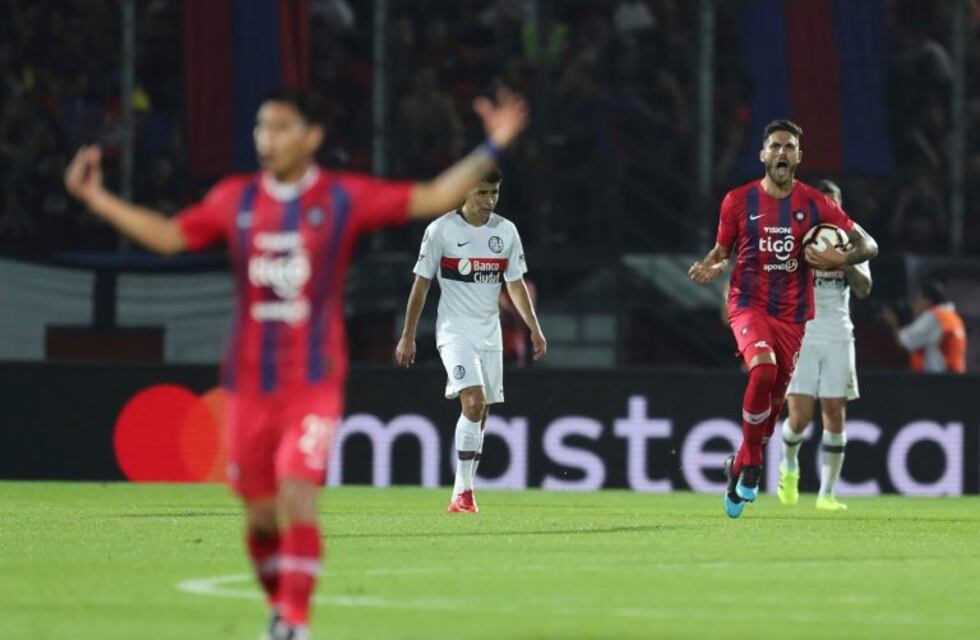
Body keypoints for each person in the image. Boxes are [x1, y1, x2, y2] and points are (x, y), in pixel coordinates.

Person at [64, 87, 528, 640]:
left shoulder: (340, 198)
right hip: (247, 384)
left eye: (282, 127)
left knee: (298, 498)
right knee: (261, 519)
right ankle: (281, 608)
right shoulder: (233, 200)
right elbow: (169, 237)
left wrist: (492, 147)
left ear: (311, 137)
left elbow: (429, 195)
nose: (267, 138)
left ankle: (296, 624)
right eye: (262, 126)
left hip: (313, 382)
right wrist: (97, 199)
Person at [688, 119, 878, 519]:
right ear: (762, 154)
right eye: (775, 146)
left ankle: (736, 467)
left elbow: (869, 245)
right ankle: (754, 467)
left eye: (789, 147)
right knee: (761, 372)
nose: (781, 152)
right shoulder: (737, 201)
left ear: (798, 157)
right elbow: (722, 250)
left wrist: (840, 259)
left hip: (794, 318)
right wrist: (710, 266)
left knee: (773, 413)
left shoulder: (816, 204)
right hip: (749, 305)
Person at [394, 168, 546, 514]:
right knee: (474, 403)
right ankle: (463, 494)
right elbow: (421, 287)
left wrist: (534, 329)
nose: (489, 200)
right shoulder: (441, 231)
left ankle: (463, 492)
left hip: (489, 333)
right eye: (482, 193)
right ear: (465, 192)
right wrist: (408, 336)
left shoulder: (506, 232)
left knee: (482, 412)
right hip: (454, 332)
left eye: (494, 193)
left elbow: (516, 284)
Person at [778, 180, 872, 512]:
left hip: (838, 333)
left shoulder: (851, 240)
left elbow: (864, 289)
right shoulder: (795, 237)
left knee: (834, 413)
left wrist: (843, 261)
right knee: (800, 417)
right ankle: (789, 465)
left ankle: (827, 494)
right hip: (801, 332)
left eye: (836, 203)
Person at [881, 281, 966, 373]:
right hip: (954, 379)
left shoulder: (933, 318)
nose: (914, 305)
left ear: (927, 301)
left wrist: (893, 323)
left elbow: (903, 341)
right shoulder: (952, 317)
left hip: (938, 380)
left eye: (917, 300)